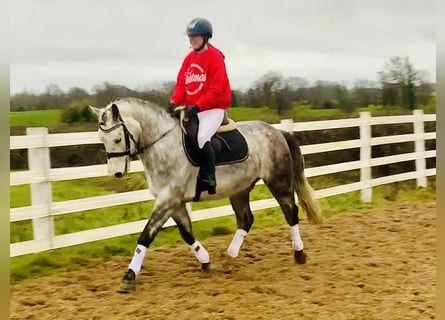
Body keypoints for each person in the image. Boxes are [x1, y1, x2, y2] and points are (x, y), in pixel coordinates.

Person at [168, 17, 232, 194]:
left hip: (213, 109)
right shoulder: (189, 59)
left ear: (205, 37)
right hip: (193, 110)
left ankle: (210, 178)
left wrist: (197, 106)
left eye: (195, 36)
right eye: (190, 36)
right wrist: (174, 101)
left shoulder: (215, 57)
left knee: (202, 137)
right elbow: (181, 83)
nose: (191, 39)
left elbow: (217, 89)